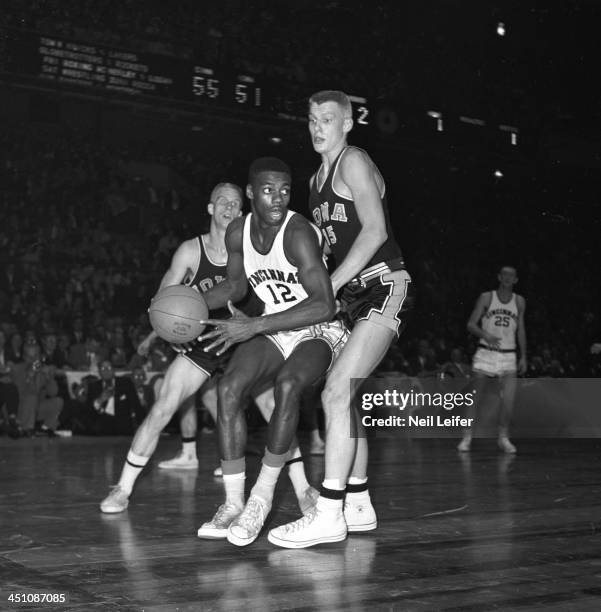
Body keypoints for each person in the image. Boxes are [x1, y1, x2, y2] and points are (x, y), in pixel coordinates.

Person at [99, 183, 314, 514]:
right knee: (164, 406)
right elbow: (160, 305)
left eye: (236, 204)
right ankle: (122, 489)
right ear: (211, 208)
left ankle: (303, 490)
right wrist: (170, 333)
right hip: (206, 340)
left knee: (273, 406)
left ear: (241, 212)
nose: (230, 208)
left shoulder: (254, 247)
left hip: (245, 336)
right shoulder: (189, 251)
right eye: (223, 202)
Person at [267, 90, 414, 548]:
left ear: (347, 123)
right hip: (352, 296)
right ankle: (359, 502)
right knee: (344, 400)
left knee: (334, 392)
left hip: (384, 284)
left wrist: (326, 289)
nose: (317, 127)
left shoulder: (353, 162)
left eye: (327, 119)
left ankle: (328, 513)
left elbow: (375, 231)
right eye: (312, 119)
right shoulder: (314, 181)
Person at [195, 157, 349, 546]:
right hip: (277, 326)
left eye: (284, 189)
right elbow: (235, 287)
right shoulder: (237, 233)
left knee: (287, 385)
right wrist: (188, 301)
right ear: (250, 193)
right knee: (228, 389)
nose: (278, 197)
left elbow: (325, 305)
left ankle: (260, 501)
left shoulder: (298, 233)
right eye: (268, 189)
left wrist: (254, 325)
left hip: (319, 328)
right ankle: (233, 503)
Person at [457, 266, 527, 453]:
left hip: (509, 355)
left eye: (511, 275)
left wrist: (524, 356)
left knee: (508, 401)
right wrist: (485, 335)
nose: (507, 277)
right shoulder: (487, 297)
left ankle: (503, 438)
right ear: (498, 277)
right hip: (486, 352)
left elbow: (520, 329)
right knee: (474, 398)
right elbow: (471, 324)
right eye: (504, 274)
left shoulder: (519, 301)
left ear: (516, 280)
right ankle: (467, 437)